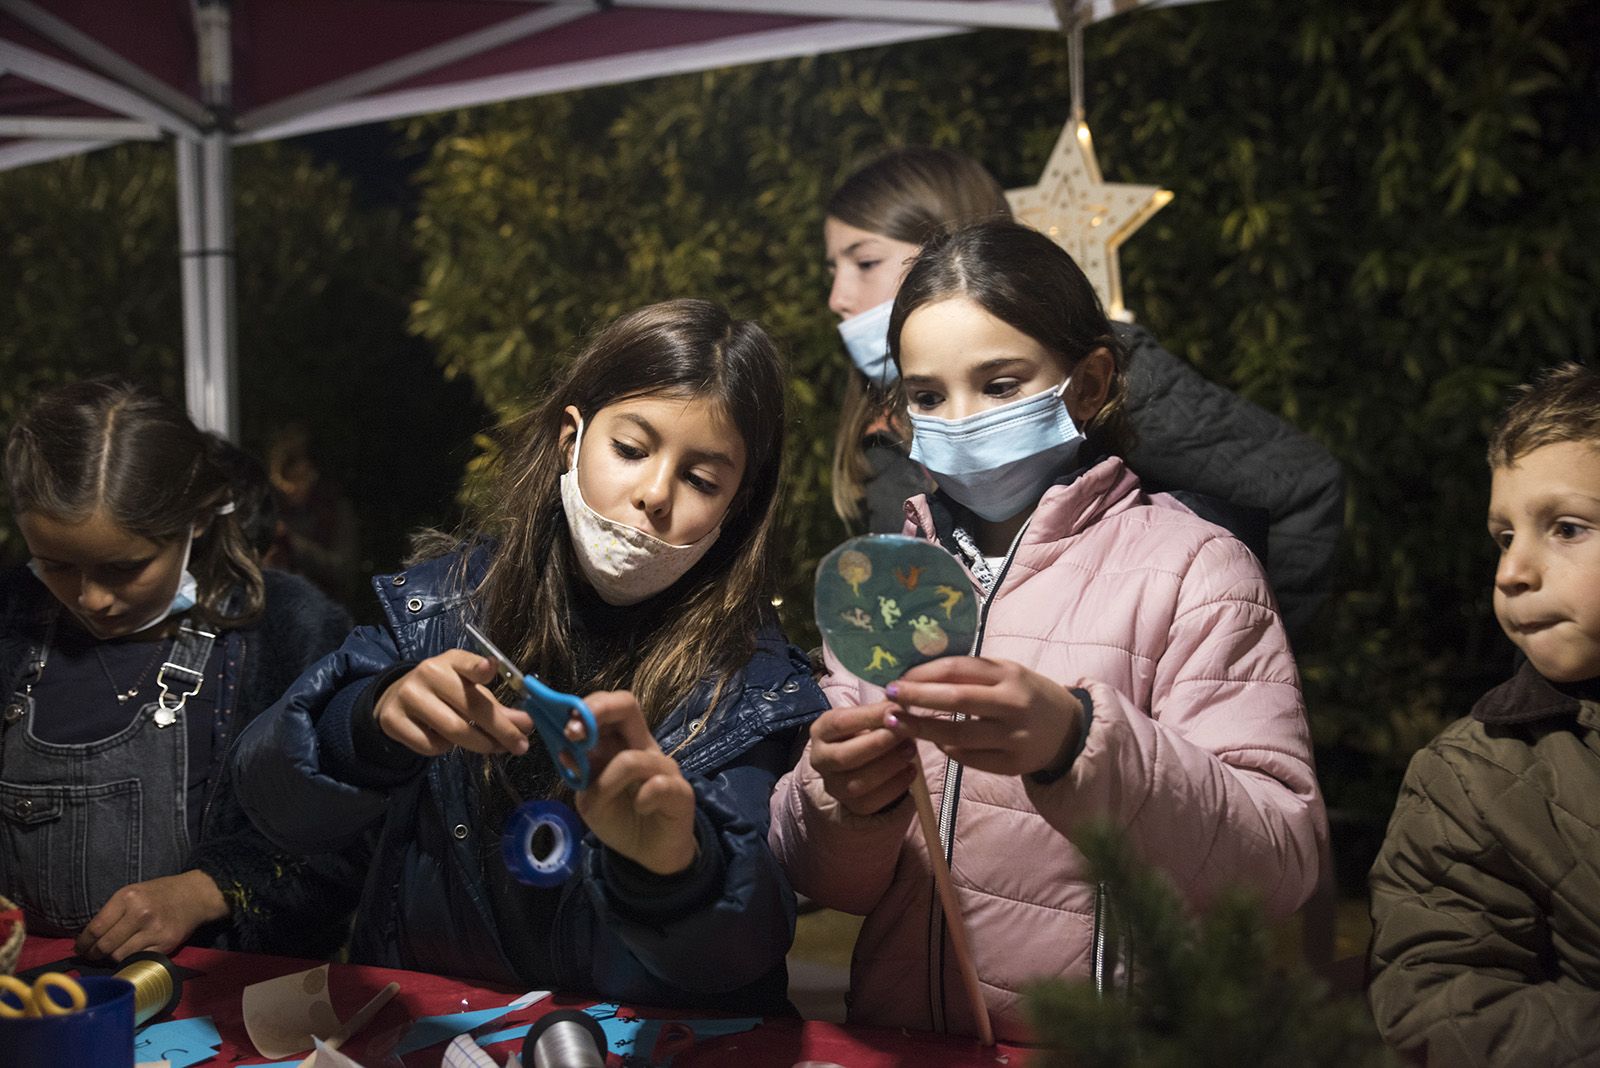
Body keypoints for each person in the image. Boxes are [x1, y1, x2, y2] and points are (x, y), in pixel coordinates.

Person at [771, 222, 1326, 1042]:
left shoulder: (1196, 571)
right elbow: (824, 877)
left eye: (999, 385)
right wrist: (841, 801)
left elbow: (1281, 861)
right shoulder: (889, 585)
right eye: (927, 396)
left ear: (1090, 381)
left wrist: (1080, 743)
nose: (959, 420)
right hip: (907, 1045)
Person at [231, 300, 828, 1013]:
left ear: (739, 504)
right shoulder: (438, 610)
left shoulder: (755, 685)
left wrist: (676, 868)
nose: (654, 493)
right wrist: (369, 720)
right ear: (569, 440)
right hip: (434, 1036)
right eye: (632, 450)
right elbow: (269, 796)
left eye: (702, 480)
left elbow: (745, 946)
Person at [824, 146, 1343, 639]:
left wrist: (1231, 648)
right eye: (930, 398)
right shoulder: (877, 424)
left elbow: (1297, 484)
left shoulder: (1107, 374)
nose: (837, 298)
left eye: (865, 263)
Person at [0, 378, 360, 961]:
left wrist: (208, 889)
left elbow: (346, 840)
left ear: (195, 520)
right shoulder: (10, 625)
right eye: (56, 566)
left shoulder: (290, 634)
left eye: (124, 568)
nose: (90, 598)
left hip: (213, 1002)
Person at [1367, 363, 1600, 1065]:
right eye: (1504, 536)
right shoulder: (1474, 776)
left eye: (1565, 527)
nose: (1512, 571)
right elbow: (1442, 1005)